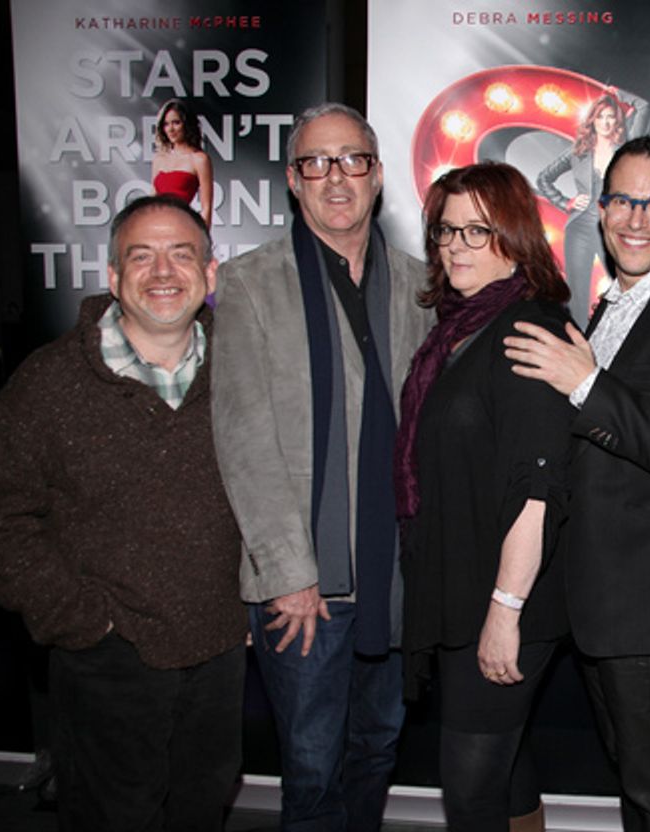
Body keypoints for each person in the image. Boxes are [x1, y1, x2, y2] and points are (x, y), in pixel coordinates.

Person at [505, 135, 650, 831]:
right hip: (601, 598)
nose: (635, 218)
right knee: (638, 784)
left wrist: (585, 384)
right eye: (621, 200)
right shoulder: (618, 301)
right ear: (600, 207)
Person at [211, 103, 432, 830]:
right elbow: (244, 438)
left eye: (352, 160)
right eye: (317, 161)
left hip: (395, 578)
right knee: (310, 768)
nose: (336, 177)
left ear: (375, 176)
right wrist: (287, 575)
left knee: (378, 746)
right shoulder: (249, 283)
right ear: (293, 181)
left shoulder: (419, 285)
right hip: (304, 586)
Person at [0, 194, 244, 831]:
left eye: (181, 254)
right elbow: (4, 518)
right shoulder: (48, 383)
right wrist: (82, 620)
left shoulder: (246, 371)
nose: (163, 272)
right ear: (112, 276)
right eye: (142, 256)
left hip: (218, 655)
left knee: (200, 814)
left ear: (210, 274)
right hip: (105, 660)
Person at [396, 162, 573, 831]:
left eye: (479, 230)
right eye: (447, 231)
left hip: (504, 600)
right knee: (505, 769)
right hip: (464, 588)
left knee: (470, 794)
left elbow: (539, 490)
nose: (457, 246)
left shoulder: (528, 330)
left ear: (515, 236)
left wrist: (505, 611)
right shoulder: (457, 331)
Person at [537, 88, 650, 326]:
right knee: (576, 292)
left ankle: (624, 339)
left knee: (625, 285)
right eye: (600, 117)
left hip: (613, 225)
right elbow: (543, 179)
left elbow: (643, 106)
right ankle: (577, 346)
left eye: (611, 117)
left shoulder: (627, 148)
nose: (606, 122)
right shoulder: (579, 152)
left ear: (617, 120)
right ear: (592, 121)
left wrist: (618, 93)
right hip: (580, 227)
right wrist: (565, 202)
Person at [152, 99, 214, 230]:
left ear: (186, 124)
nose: (171, 129)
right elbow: (151, 202)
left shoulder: (199, 159)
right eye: (166, 124)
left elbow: (206, 207)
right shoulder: (159, 159)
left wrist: (203, 243)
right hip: (156, 228)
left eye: (176, 122)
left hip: (181, 228)